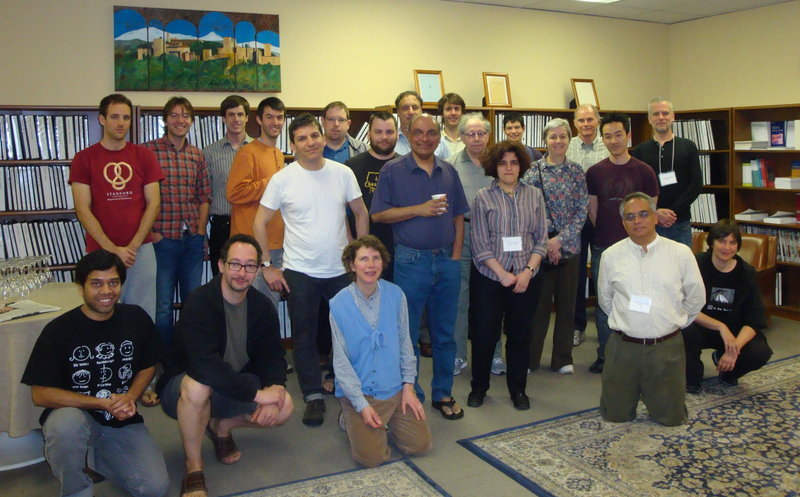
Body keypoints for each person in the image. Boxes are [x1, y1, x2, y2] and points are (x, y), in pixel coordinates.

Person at [21, 249, 169, 497]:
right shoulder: (59, 330)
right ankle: (77, 489)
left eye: (114, 283)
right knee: (64, 428)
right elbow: (40, 394)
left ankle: (95, 457)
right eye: (96, 284)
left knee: (153, 489)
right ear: (81, 287)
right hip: (74, 415)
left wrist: (130, 397)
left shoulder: (135, 318)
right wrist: (100, 403)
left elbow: (149, 364)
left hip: (120, 417)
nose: (106, 291)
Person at [253, 113, 369, 427]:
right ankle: (313, 396)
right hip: (300, 271)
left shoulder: (342, 173)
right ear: (293, 145)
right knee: (304, 336)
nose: (310, 143)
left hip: (340, 270)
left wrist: (361, 256)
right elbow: (259, 223)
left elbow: (360, 213)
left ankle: (341, 382)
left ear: (322, 137)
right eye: (302, 138)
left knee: (345, 334)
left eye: (314, 136)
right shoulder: (283, 179)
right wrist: (267, 266)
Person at [157, 234, 293, 497]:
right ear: (221, 265)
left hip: (232, 384)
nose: (242, 273)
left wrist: (275, 387)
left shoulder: (262, 306)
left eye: (250, 266)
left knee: (284, 406)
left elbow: (273, 356)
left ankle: (222, 426)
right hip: (184, 388)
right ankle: (193, 466)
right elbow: (203, 365)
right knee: (198, 387)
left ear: (257, 270)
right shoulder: (199, 301)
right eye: (235, 264)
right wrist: (257, 395)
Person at [371, 113, 468, 420]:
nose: (425, 138)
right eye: (418, 133)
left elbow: (458, 216)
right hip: (410, 262)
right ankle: (412, 394)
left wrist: (455, 256)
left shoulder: (448, 171)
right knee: (408, 334)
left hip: (447, 262)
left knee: (445, 333)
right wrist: (419, 210)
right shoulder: (393, 170)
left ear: (439, 136)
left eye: (431, 133)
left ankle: (443, 393)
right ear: (408, 135)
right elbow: (378, 215)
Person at [597, 192, 704, 426]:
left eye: (643, 214)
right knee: (615, 416)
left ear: (655, 217)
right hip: (623, 348)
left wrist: (673, 322)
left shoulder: (680, 253)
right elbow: (606, 300)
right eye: (630, 217)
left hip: (665, 348)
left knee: (672, 419)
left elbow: (696, 297)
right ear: (623, 223)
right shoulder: (610, 256)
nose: (637, 221)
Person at [330, 235, 431, 468]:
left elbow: (406, 342)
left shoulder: (396, 294)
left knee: (420, 446)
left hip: (396, 389)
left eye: (376, 258)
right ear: (352, 265)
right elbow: (341, 362)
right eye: (363, 259)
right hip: (362, 392)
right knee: (371, 459)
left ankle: (387, 421)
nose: (371, 265)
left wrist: (408, 386)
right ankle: (349, 418)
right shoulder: (338, 303)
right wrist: (361, 405)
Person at [468, 141, 547, 411]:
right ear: (494, 167)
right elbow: (479, 243)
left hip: (526, 278)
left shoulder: (534, 196)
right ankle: (479, 387)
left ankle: (518, 390)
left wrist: (528, 272)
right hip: (490, 278)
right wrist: (502, 274)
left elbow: (541, 239)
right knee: (484, 335)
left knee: (520, 336)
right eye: (503, 163)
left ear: (521, 166)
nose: (509, 168)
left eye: (514, 163)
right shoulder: (483, 197)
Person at [69, 93, 163, 321]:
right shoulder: (84, 158)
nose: (121, 123)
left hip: (140, 251)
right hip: (100, 251)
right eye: (114, 117)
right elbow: (82, 209)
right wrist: (112, 249)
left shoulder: (144, 156)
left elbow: (154, 203)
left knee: (144, 315)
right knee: (102, 312)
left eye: (126, 117)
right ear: (102, 119)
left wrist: (132, 246)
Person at [585, 112, 660, 374]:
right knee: (604, 302)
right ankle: (606, 354)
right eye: (607, 136)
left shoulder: (645, 171)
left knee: (639, 298)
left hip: (638, 249)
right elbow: (593, 211)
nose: (613, 141)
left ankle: (639, 353)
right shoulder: (595, 172)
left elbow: (650, 212)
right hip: (604, 247)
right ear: (602, 139)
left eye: (618, 135)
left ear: (628, 136)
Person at [143, 96, 211, 348]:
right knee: (162, 306)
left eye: (185, 115)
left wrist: (201, 231)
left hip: (192, 239)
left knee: (193, 303)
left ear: (191, 121)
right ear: (165, 120)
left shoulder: (197, 155)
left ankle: (188, 354)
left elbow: (204, 196)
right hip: (162, 241)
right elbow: (140, 198)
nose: (180, 120)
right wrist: (151, 233)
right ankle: (166, 359)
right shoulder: (148, 152)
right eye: (174, 115)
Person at [522, 118, 588, 375]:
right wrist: (549, 242)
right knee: (538, 307)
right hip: (540, 250)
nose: (558, 141)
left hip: (570, 249)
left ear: (569, 140)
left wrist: (561, 239)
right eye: (553, 136)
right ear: (545, 140)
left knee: (567, 305)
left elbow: (582, 210)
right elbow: (530, 210)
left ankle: (562, 358)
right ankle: (530, 359)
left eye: (562, 136)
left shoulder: (576, 172)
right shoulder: (532, 172)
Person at [683, 220, 773, 393]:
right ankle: (692, 379)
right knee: (684, 331)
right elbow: (686, 307)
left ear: (738, 246)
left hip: (734, 330)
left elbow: (755, 318)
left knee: (760, 352)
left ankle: (729, 373)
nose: (727, 247)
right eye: (722, 241)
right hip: (702, 325)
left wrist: (734, 349)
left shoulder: (747, 272)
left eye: (732, 242)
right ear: (711, 243)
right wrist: (720, 326)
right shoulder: (696, 265)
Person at [448, 113, 504, 376]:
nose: (476, 138)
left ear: (488, 135)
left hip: (494, 235)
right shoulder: (450, 165)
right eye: (470, 134)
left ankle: (494, 354)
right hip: (462, 231)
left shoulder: (499, 162)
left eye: (481, 133)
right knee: (459, 297)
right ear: (461, 136)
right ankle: (458, 354)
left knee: (492, 296)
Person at [226, 97, 286, 307]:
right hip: (252, 245)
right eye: (269, 117)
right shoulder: (247, 152)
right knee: (253, 309)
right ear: (259, 120)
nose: (275, 122)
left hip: (276, 244)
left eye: (279, 117)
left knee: (270, 308)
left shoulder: (278, 154)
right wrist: (272, 182)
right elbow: (234, 193)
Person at [632, 98, 702, 248]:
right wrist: (655, 212)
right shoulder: (640, 150)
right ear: (649, 119)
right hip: (650, 222)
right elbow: (637, 187)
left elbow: (696, 184)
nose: (661, 117)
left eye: (665, 113)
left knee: (681, 262)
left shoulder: (688, 147)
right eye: (656, 114)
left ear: (673, 116)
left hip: (680, 222)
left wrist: (672, 212)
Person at [566, 104, 609, 346]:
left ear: (598, 121)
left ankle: (609, 328)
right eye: (581, 120)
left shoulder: (608, 145)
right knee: (576, 275)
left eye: (590, 119)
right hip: (575, 219)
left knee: (605, 274)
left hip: (602, 217)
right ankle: (577, 326)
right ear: (575, 123)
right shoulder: (567, 145)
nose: (586, 124)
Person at [344, 111, 399, 279]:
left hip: (400, 252)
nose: (384, 137)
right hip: (362, 250)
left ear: (397, 134)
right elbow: (339, 210)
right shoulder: (351, 167)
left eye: (389, 132)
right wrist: (351, 243)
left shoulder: (406, 166)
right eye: (378, 132)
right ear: (369, 134)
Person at [204, 95, 252, 275]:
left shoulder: (258, 149)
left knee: (249, 277)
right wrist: (203, 233)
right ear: (223, 119)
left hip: (250, 223)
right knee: (221, 278)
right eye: (231, 115)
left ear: (247, 117)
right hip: (221, 226)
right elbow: (204, 195)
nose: (236, 119)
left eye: (240, 114)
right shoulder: (209, 153)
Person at [393, 91, 423, 156]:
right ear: (398, 112)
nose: (411, 112)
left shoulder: (435, 141)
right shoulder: (390, 142)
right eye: (405, 108)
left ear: (421, 111)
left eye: (415, 108)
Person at [437, 93, 466, 158]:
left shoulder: (469, 139)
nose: (453, 113)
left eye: (456, 109)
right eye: (448, 109)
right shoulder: (436, 140)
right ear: (442, 113)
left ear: (462, 113)